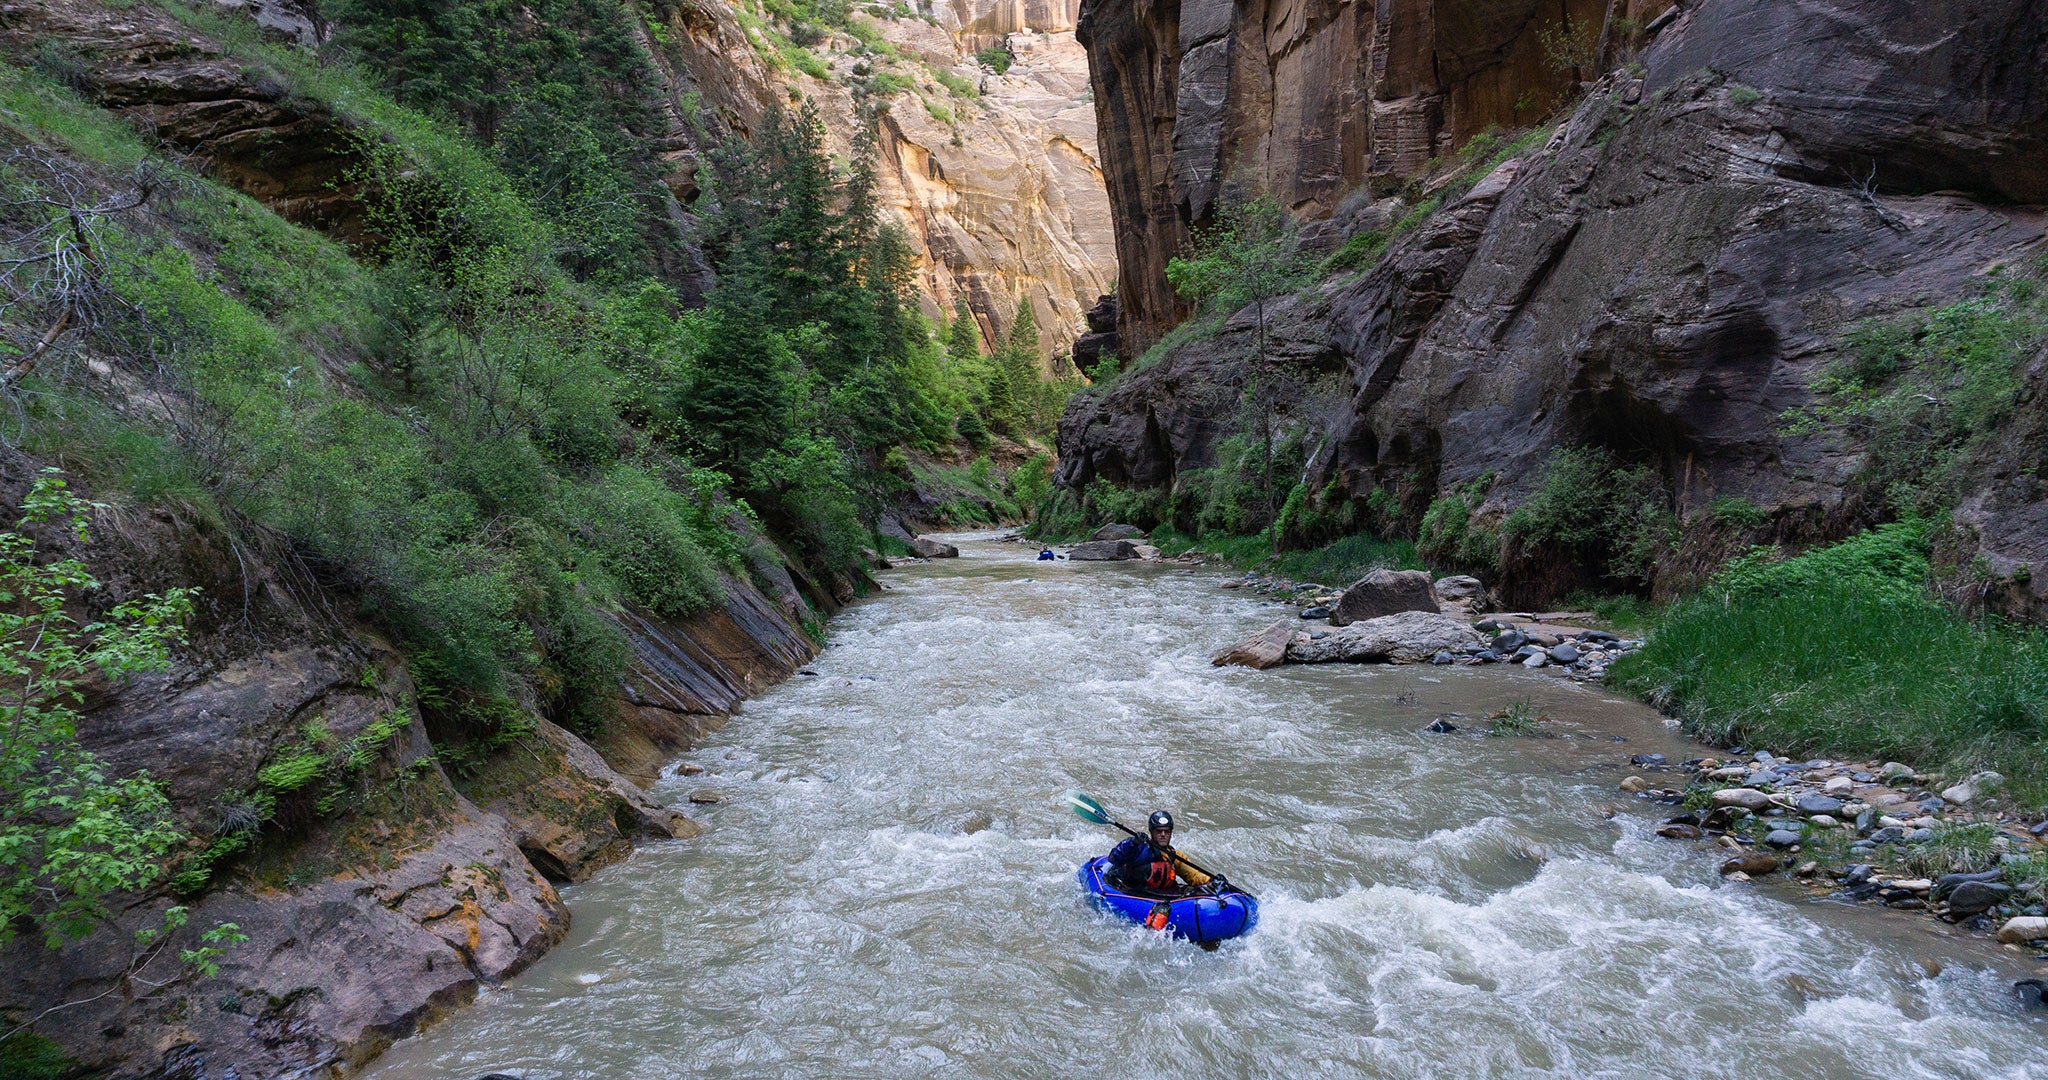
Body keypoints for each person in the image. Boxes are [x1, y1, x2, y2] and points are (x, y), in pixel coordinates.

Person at [1105, 810, 1212, 894]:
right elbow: (1115, 858)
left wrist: (1211, 882)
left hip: (1161, 895)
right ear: (1152, 832)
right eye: (1159, 831)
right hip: (1137, 893)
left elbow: (1194, 876)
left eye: (1166, 831)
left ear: (1170, 833)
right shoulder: (1139, 849)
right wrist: (1132, 842)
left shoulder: (1174, 855)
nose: (1163, 834)